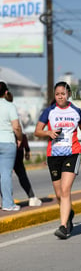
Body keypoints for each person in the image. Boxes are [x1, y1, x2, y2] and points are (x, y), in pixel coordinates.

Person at [34, 81, 81, 239]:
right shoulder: (49, 111)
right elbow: (37, 131)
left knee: (65, 190)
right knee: (59, 194)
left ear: (69, 94)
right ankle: (68, 213)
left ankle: (63, 227)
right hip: (54, 155)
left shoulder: (76, 111)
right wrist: (48, 133)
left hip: (72, 153)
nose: (60, 97)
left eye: (63, 94)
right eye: (57, 94)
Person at [5, 90, 42, 206]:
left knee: (3, 174)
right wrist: (26, 148)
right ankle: (31, 197)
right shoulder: (12, 110)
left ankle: (6, 201)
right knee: (21, 173)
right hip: (15, 146)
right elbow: (20, 130)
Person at [0, 80, 23, 211]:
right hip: (8, 142)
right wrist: (19, 139)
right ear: (6, 92)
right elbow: (16, 127)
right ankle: (8, 204)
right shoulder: (10, 106)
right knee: (5, 174)